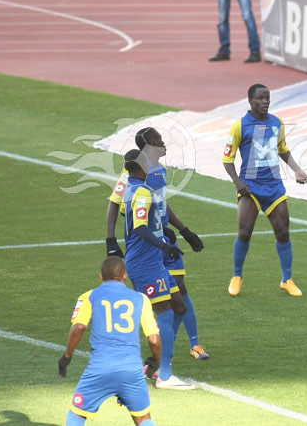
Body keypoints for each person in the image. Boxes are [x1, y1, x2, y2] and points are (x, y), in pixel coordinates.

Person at [106, 127, 208, 361]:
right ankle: (151, 353)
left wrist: (185, 231)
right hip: (147, 245)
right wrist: (111, 239)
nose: (163, 142)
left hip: (165, 238)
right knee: (155, 303)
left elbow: (161, 204)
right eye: (157, 140)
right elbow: (115, 203)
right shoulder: (131, 174)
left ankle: (194, 344)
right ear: (147, 147)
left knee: (180, 290)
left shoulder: (160, 171)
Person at [222, 83, 307, 298]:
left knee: (283, 232)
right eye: (260, 98)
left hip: (274, 187)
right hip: (250, 188)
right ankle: (237, 276)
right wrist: (237, 182)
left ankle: (287, 280)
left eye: (267, 98)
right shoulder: (240, 126)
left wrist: (297, 170)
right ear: (250, 101)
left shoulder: (277, 123)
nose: (265, 102)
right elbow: (227, 159)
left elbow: (283, 150)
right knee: (244, 232)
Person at [120, 149, 195, 389]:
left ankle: (156, 362)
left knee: (179, 306)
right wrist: (163, 245)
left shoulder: (131, 189)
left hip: (152, 262)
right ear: (142, 166)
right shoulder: (141, 191)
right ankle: (164, 375)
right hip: (145, 264)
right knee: (164, 313)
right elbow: (141, 227)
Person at [58, 256, 162, 425]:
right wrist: (156, 361)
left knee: (76, 415)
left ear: (100, 276)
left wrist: (66, 357)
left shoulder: (89, 296)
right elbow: (154, 339)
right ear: (125, 276)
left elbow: (78, 328)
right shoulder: (141, 299)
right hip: (131, 371)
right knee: (143, 418)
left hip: (100, 369)